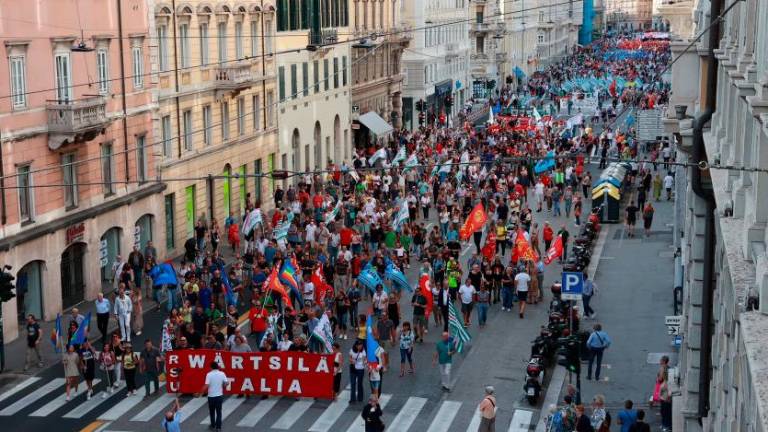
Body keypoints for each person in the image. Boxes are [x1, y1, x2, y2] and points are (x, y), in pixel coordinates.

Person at [200, 361, 228, 432]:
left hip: (211, 396)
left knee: (212, 412)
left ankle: (213, 425)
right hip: (219, 396)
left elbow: (206, 385)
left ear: (211, 367)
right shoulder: (222, 373)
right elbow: (226, 383)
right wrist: (223, 386)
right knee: (219, 412)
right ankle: (218, 427)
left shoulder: (209, 374)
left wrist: (199, 392)